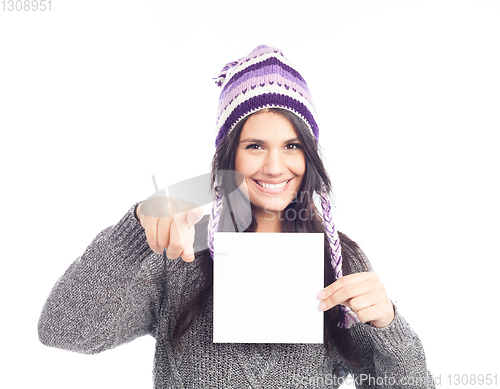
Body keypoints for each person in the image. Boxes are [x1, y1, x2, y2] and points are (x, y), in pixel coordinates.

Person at [38, 45, 435, 388]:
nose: (275, 167)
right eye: (255, 145)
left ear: (309, 156)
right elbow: (64, 330)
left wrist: (388, 325)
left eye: (292, 145)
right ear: (229, 156)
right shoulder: (181, 252)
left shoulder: (339, 262)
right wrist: (139, 227)